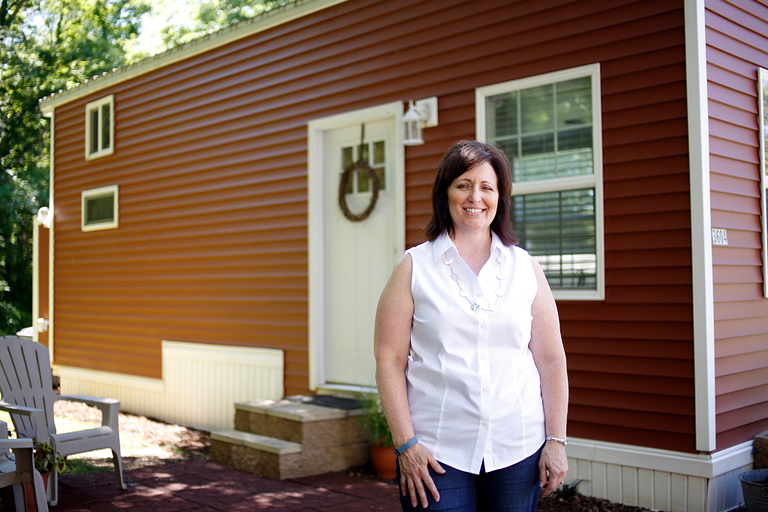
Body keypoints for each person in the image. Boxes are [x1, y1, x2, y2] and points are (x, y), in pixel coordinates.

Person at [374, 140, 569, 511]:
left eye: (486, 187)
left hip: (518, 447)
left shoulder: (525, 268)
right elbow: (389, 360)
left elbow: (550, 359)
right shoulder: (413, 268)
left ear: (500, 197)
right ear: (445, 193)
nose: (474, 197)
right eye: (463, 184)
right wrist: (405, 445)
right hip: (436, 451)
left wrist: (556, 440)